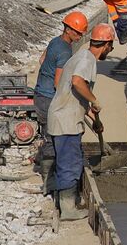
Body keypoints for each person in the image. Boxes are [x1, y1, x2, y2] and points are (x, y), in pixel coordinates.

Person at [46, 23, 115, 221]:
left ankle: (64, 201)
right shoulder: (88, 59)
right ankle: (68, 209)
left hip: (64, 118)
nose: (109, 51)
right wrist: (94, 100)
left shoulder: (81, 56)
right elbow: (77, 82)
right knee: (70, 163)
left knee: (66, 162)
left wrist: (93, 118)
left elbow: (75, 94)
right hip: (65, 122)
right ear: (107, 44)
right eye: (110, 47)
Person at [33, 11, 89, 187]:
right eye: (78, 32)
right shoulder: (65, 51)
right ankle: (49, 181)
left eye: (81, 33)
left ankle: (47, 172)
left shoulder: (55, 41)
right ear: (68, 29)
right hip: (49, 99)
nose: (80, 36)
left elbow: (42, 60)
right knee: (53, 138)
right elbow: (59, 83)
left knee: (48, 135)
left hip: (40, 94)